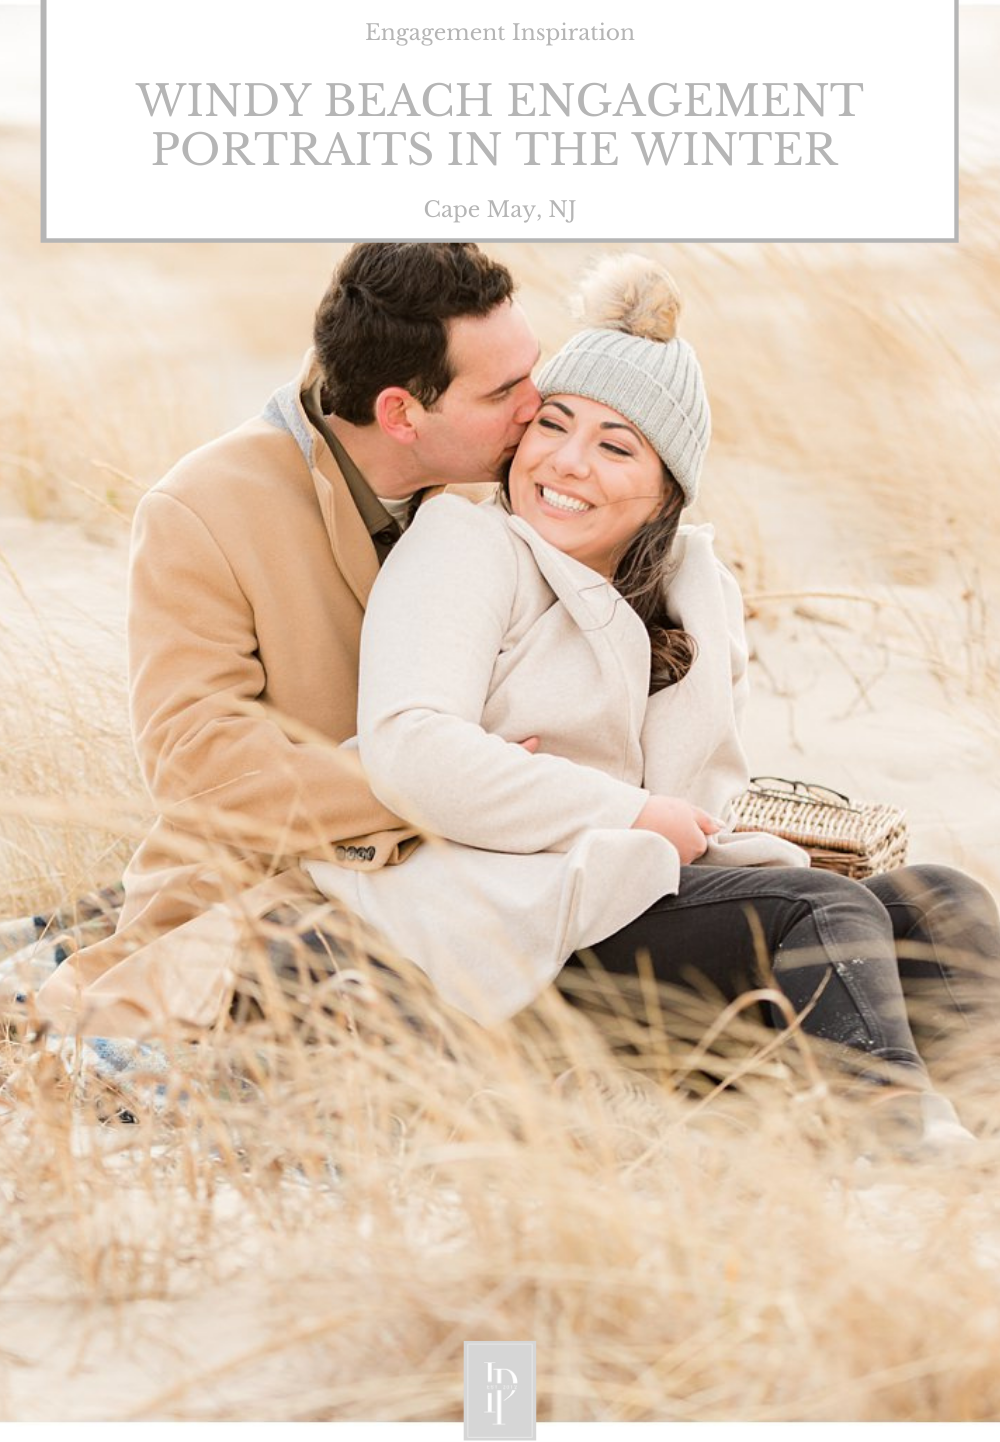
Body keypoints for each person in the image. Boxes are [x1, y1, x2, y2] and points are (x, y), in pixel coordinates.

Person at [303, 254, 1000, 1150]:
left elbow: (698, 801)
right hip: (517, 914)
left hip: (633, 900)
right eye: (552, 425)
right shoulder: (467, 546)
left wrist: (746, 849)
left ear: (667, 487)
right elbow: (409, 746)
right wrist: (629, 813)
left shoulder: (689, 588)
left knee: (938, 898)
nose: (566, 461)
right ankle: (899, 1141)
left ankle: (978, 1113)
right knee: (823, 912)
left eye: (615, 445)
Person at [30, 241, 541, 1037]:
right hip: (283, 916)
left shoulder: (522, 492)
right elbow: (200, 771)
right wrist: (446, 778)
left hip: (486, 890)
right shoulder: (200, 510)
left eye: (533, 371)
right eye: (504, 389)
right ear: (401, 412)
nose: (538, 405)